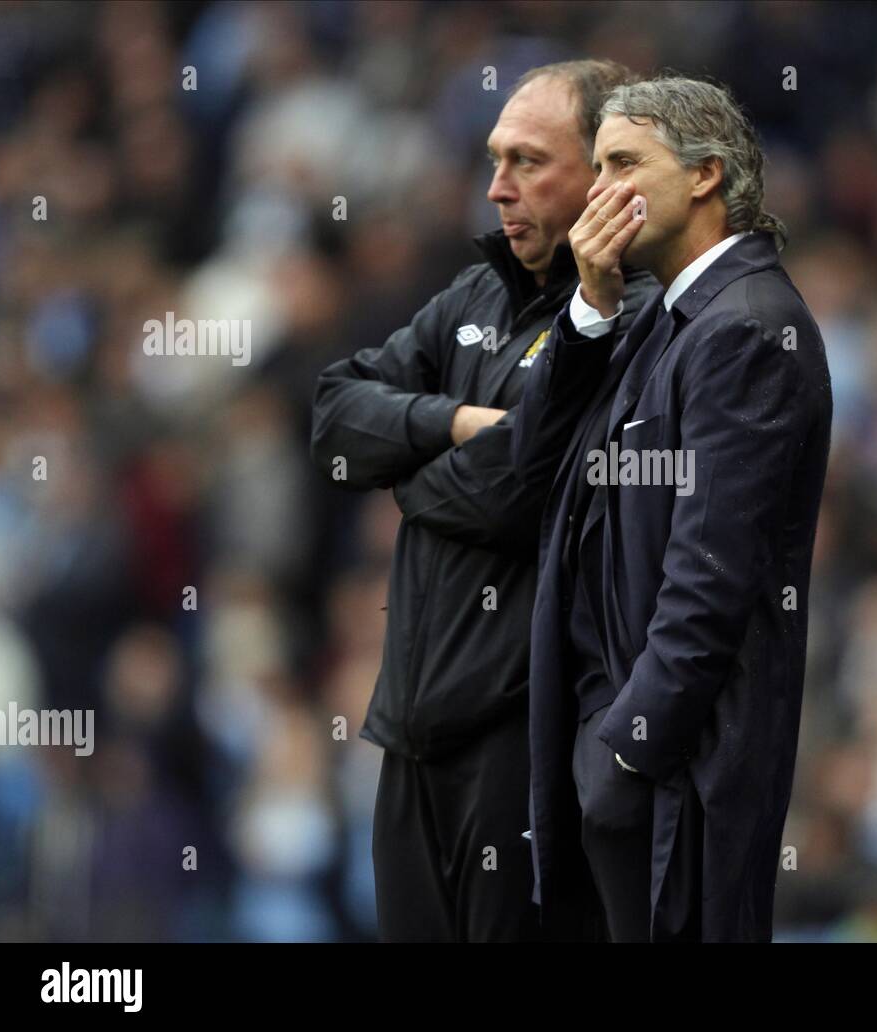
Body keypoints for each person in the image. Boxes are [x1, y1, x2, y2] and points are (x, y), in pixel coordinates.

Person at [310, 60, 654, 942]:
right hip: (411, 737)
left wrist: (409, 469)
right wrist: (457, 420)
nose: (497, 188)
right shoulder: (476, 292)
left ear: (606, 172)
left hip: (523, 747)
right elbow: (334, 421)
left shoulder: (641, 321)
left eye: (529, 162)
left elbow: (511, 492)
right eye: (496, 159)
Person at [513, 76, 833, 941]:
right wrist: (589, 306)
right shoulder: (662, 316)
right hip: (626, 750)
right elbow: (533, 464)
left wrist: (627, 748)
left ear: (705, 176)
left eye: (625, 162)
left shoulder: (748, 327)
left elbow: (710, 576)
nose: (598, 189)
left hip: (679, 768)